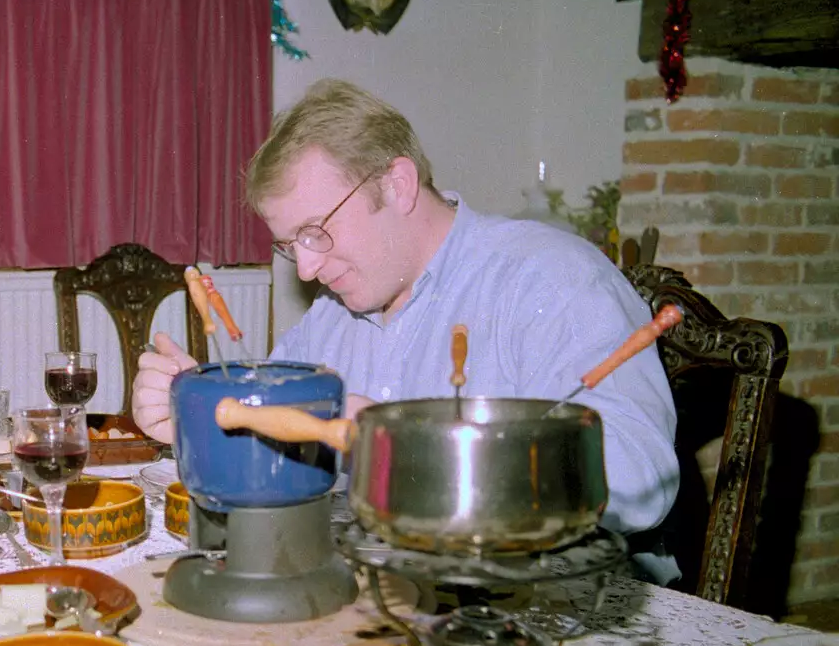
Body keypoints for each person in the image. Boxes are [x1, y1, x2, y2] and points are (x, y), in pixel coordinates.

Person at [133, 78, 680, 578]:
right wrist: (196, 415)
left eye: (315, 231)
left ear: (397, 184)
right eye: (288, 244)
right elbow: (278, 457)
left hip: (550, 607)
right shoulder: (331, 316)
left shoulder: (550, 279)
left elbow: (640, 477)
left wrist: (418, 452)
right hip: (394, 600)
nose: (305, 269)